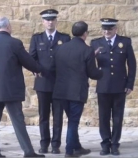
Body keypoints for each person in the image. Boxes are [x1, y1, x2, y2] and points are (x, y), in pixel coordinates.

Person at [0, 17, 45, 158]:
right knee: (18, 122)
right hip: (11, 91)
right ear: (8, 27)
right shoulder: (15, 43)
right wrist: (40, 69)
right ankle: (28, 152)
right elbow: (28, 62)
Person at [53, 21, 103, 157]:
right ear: (85, 33)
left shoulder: (60, 48)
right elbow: (93, 74)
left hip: (61, 91)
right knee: (73, 122)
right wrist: (101, 70)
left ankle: (77, 146)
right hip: (76, 92)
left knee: (72, 119)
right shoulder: (87, 50)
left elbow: (55, 67)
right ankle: (70, 151)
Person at [90, 18, 137, 156]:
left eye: (109, 29)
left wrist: (130, 84)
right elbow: (89, 64)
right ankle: (105, 144)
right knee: (103, 117)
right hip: (103, 86)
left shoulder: (125, 42)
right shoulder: (96, 43)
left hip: (119, 86)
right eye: (104, 29)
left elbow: (132, 65)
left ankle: (115, 144)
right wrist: (93, 56)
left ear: (115, 29)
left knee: (117, 117)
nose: (107, 32)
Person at [29, 9, 71, 154]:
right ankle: (44, 143)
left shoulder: (65, 38)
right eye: (47, 19)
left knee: (58, 116)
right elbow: (31, 58)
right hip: (43, 82)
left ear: (56, 21)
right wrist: (35, 70)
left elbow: (69, 59)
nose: (50, 22)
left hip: (59, 83)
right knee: (43, 116)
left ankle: (55, 145)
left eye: (52, 19)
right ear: (43, 22)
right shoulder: (37, 38)